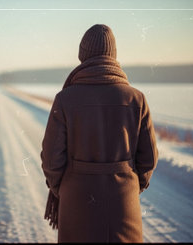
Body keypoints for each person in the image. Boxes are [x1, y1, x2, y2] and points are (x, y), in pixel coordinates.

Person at [41, 24, 158, 243]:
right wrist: (130, 187)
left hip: (76, 204)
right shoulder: (136, 99)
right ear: (113, 55)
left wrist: (63, 190)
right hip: (124, 205)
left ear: (82, 55)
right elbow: (148, 159)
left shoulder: (65, 99)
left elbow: (50, 160)